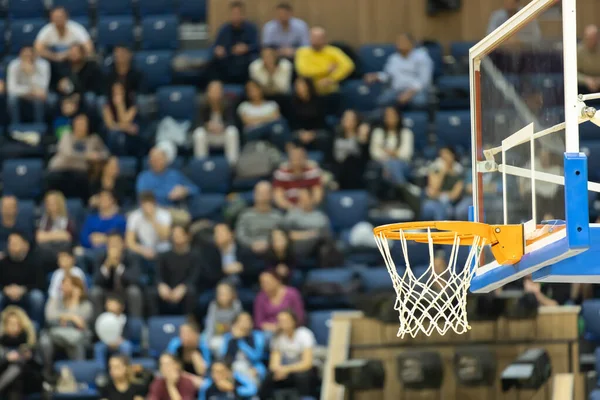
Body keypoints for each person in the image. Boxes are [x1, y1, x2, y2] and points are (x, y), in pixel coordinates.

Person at [47, 114, 109, 202]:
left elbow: (106, 153)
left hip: (80, 172)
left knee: (85, 181)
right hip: (60, 169)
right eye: (78, 123)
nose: (81, 126)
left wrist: (98, 156)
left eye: (84, 124)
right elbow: (68, 153)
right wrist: (87, 156)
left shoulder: (93, 139)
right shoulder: (67, 136)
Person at [364, 33, 432, 109]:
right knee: (382, 101)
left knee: (419, 102)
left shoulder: (422, 57)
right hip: (396, 90)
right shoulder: (394, 58)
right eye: (398, 41)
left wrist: (409, 93)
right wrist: (376, 76)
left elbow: (424, 81)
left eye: (403, 41)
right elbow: (388, 75)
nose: (399, 44)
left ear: (411, 43)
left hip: (416, 91)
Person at [136, 146, 199, 226]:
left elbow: (195, 189)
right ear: (149, 161)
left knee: (185, 218)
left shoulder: (175, 174)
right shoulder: (143, 177)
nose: (156, 162)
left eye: (159, 159)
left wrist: (184, 190)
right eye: (153, 159)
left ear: (166, 160)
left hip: (170, 209)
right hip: (151, 209)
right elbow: (143, 196)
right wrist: (168, 194)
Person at [261, 310, 315, 399]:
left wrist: (286, 369)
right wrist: (280, 370)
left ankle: (305, 397)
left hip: (304, 370)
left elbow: (307, 363)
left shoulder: (304, 334)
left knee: (301, 376)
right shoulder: (277, 337)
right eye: (280, 321)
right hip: (287, 369)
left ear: (294, 321)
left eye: (285, 320)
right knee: (269, 375)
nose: (282, 323)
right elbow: (273, 364)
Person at [40, 275, 93, 364]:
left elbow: (80, 324)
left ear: (77, 287)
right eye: (62, 285)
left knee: (75, 341)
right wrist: (71, 317)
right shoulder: (55, 300)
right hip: (56, 334)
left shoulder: (86, 305)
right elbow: (49, 316)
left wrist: (75, 300)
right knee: (44, 341)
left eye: (67, 285)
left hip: (77, 335)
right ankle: (48, 372)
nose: (62, 287)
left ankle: (78, 372)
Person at [148, 226, 200, 316]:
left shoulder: (195, 256)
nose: (177, 237)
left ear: (187, 236)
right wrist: (161, 285)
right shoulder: (163, 256)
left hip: (184, 288)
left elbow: (194, 276)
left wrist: (183, 287)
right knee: (151, 293)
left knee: (191, 292)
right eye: (174, 235)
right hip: (167, 288)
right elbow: (157, 274)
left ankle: (189, 322)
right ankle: (154, 323)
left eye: (180, 234)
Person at [90, 232, 143, 318]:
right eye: (111, 244)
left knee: (134, 291)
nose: (114, 246)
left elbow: (134, 279)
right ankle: (96, 325)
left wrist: (118, 266)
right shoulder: (101, 257)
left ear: (123, 244)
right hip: (107, 293)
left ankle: (136, 324)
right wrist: (106, 266)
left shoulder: (131, 257)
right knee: (95, 292)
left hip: (124, 292)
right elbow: (96, 281)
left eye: (116, 243)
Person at [0, 232, 46, 325]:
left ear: (25, 245)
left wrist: (23, 289)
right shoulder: (3, 263)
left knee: (37, 297)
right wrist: (5, 289)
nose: (12, 246)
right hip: (6, 293)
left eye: (15, 243)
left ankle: (35, 325)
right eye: (10, 243)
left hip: (26, 294)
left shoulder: (35, 262)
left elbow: (41, 284)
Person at [295, 27, 355, 96]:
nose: (316, 40)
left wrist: (331, 79)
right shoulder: (302, 52)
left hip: (329, 88)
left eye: (319, 38)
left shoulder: (333, 51)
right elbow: (303, 71)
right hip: (309, 90)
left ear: (324, 39)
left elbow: (348, 65)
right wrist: (326, 70)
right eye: (313, 37)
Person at [192, 80, 240, 164]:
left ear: (222, 92)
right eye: (213, 90)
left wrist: (223, 126)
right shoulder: (201, 104)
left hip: (222, 134)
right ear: (208, 92)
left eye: (218, 90)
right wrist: (207, 126)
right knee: (198, 134)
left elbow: (233, 122)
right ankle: (201, 163)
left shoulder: (228, 103)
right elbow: (196, 123)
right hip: (208, 135)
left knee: (232, 131)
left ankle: (232, 163)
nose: (215, 93)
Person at [0, 306, 43, 400]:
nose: (14, 327)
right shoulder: (1, 344)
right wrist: (6, 359)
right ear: (4, 325)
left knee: (19, 366)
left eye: (17, 324)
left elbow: (40, 368)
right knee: (15, 380)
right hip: (10, 382)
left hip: (29, 380)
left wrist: (30, 358)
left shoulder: (31, 342)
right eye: (10, 324)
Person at [211, 1, 259, 84]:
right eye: (233, 13)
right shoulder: (224, 29)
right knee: (213, 64)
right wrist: (217, 50)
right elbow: (215, 46)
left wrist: (247, 48)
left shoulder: (251, 28)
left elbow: (258, 46)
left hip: (245, 61)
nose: (236, 16)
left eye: (238, 13)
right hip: (228, 60)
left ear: (243, 14)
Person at [203, 223, 264, 289]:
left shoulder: (244, 250)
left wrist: (242, 268)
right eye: (216, 233)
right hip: (219, 288)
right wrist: (223, 271)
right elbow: (209, 274)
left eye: (221, 233)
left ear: (232, 234)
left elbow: (259, 267)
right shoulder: (211, 253)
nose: (218, 236)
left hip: (244, 286)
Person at [369, 106, 414, 186]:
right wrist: (392, 156)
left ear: (398, 117)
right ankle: (403, 186)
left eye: (393, 115)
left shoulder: (406, 133)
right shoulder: (378, 132)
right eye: (387, 116)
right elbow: (374, 153)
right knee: (390, 164)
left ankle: (400, 186)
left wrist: (388, 153)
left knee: (393, 164)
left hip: (402, 164)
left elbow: (406, 154)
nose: (390, 118)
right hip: (381, 163)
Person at [236, 181, 283, 256]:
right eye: (260, 192)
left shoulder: (278, 216)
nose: (262, 195)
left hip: (272, 251)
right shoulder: (245, 215)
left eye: (266, 192)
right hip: (249, 250)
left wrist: (269, 243)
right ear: (254, 194)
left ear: (271, 195)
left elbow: (282, 236)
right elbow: (240, 235)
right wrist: (252, 244)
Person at [220, 312, 267, 384]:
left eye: (247, 320)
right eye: (241, 321)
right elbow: (225, 357)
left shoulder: (257, 336)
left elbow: (257, 356)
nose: (244, 323)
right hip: (234, 368)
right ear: (235, 324)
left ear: (252, 323)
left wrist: (240, 341)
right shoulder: (228, 337)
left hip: (253, 367)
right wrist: (234, 339)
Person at [273, 144, 324, 210]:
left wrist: (308, 206)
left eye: (299, 157)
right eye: (294, 157)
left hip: (310, 208)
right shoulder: (281, 173)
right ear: (289, 159)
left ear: (305, 158)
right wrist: (292, 208)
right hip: (288, 209)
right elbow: (278, 196)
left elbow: (317, 195)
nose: (297, 160)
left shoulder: (313, 171)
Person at [7, 46, 50, 123]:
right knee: (12, 98)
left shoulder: (43, 65)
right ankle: (15, 124)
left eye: (30, 56)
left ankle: (39, 125)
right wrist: (29, 91)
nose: (28, 59)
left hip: (37, 94)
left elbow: (43, 87)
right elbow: (11, 88)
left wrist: (31, 74)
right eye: (25, 56)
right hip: (23, 94)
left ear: (35, 55)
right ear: (20, 55)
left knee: (45, 98)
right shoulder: (14, 65)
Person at [126, 191, 172, 263]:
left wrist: (152, 219)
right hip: (143, 247)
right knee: (131, 253)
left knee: (167, 251)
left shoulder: (164, 215)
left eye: (150, 204)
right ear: (140, 204)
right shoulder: (134, 216)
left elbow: (165, 237)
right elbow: (129, 241)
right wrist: (142, 250)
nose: (147, 208)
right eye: (144, 204)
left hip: (161, 248)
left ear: (155, 204)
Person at [283, 189, 331, 259]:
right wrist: (307, 234)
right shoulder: (292, 215)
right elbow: (285, 234)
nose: (302, 202)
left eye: (304, 199)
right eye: (300, 199)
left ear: (311, 199)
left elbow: (325, 235)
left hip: (316, 247)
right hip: (296, 247)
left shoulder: (320, 217)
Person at [421, 146, 465, 221]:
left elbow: (454, 195)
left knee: (446, 209)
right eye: (442, 155)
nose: (444, 157)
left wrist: (440, 195)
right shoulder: (434, 169)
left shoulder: (459, 172)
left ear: (453, 156)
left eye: (447, 154)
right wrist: (442, 172)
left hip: (450, 203)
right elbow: (433, 190)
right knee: (435, 209)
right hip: (433, 201)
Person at [332, 109, 370, 190]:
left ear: (356, 121)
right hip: (337, 169)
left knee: (350, 159)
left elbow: (365, 158)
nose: (346, 120)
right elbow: (330, 158)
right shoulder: (334, 137)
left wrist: (363, 139)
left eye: (349, 118)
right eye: (344, 117)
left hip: (355, 172)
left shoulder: (360, 138)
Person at [94, 295, 134, 367]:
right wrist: (107, 341)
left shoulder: (125, 319)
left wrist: (120, 340)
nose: (110, 305)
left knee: (126, 346)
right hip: (106, 342)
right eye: (108, 303)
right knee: (98, 347)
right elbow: (98, 333)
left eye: (113, 302)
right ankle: (100, 373)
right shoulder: (103, 319)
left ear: (121, 306)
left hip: (120, 342)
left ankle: (126, 368)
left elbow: (128, 334)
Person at [290, 77, 329, 152]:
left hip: (317, 131)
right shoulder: (292, 102)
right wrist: (301, 133)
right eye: (297, 86)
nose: (299, 88)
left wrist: (312, 133)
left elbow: (322, 121)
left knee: (324, 137)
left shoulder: (319, 100)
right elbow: (292, 122)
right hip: (300, 132)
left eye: (302, 85)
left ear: (308, 86)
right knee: (292, 138)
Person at [104, 82, 141, 157]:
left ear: (125, 92)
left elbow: (125, 120)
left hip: (130, 137)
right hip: (114, 135)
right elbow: (110, 126)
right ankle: (113, 157)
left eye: (120, 91)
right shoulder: (107, 106)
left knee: (122, 138)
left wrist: (120, 105)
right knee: (114, 134)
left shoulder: (132, 105)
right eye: (115, 91)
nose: (117, 94)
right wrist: (127, 128)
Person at [204, 283, 243, 352]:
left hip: (232, 335)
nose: (223, 296)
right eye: (220, 294)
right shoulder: (213, 306)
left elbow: (240, 322)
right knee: (212, 343)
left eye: (225, 293)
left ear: (232, 294)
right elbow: (210, 324)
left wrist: (233, 330)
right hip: (216, 335)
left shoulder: (236, 304)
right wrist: (207, 341)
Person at [578, 25, 600, 93]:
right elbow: (572, 73)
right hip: (584, 84)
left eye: (593, 38)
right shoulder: (578, 51)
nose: (590, 40)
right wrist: (586, 80)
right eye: (588, 38)